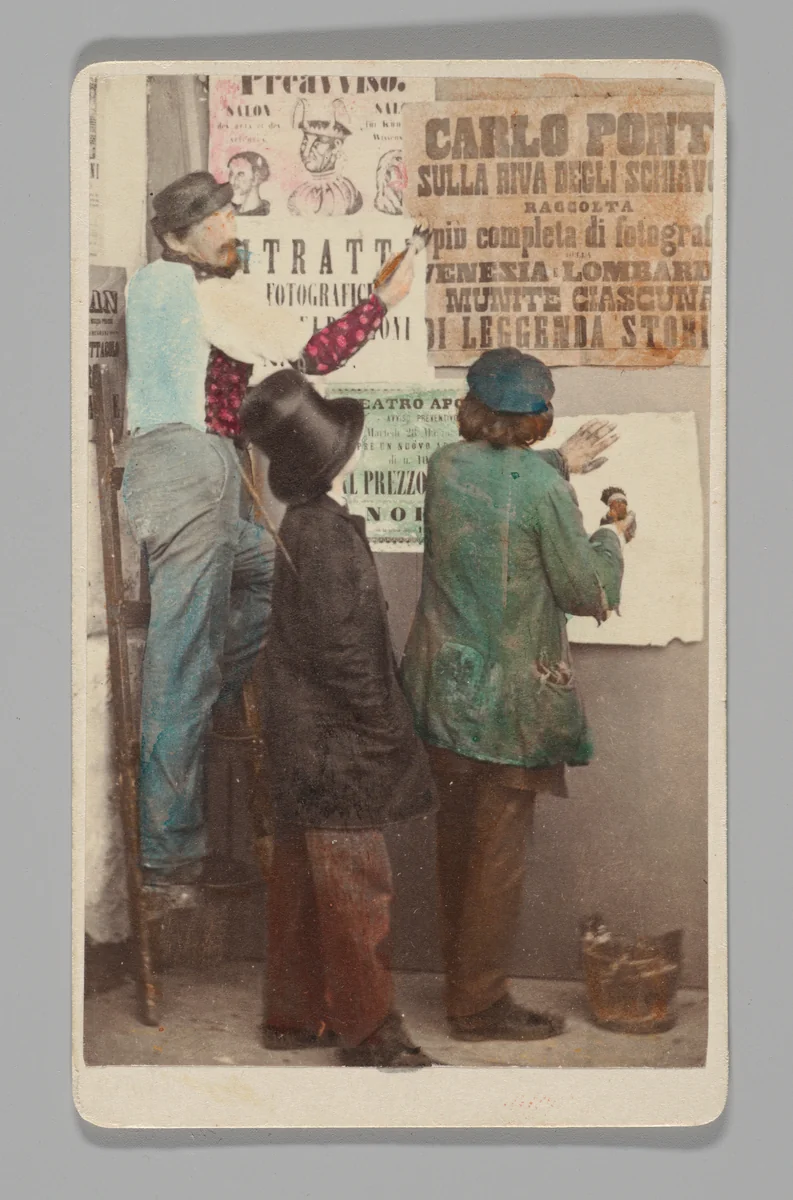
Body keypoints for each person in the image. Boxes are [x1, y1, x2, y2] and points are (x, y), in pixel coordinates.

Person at [122, 170, 416, 888]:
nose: (230, 229)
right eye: (214, 223)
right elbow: (311, 357)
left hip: (184, 466)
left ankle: (215, 701)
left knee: (273, 574)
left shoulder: (162, 284)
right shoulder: (197, 290)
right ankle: (168, 853)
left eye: (230, 216)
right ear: (176, 237)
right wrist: (380, 303)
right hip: (192, 463)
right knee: (179, 666)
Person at [400, 347, 635, 1042]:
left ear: (472, 408)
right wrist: (610, 536)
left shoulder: (444, 465)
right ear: (540, 416)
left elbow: (494, 484)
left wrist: (558, 463)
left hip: (444, 691)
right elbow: (585, 592)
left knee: (454, 844)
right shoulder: (541, 488)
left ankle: (462, 986)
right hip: (509, 708)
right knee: (496, 858)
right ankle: (477, 1007)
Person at [239, 371, 437, 1068]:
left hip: (303, 739)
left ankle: (292, 1018)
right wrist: (384, 731)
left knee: (300, 878)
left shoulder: (305, 524)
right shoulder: (324, 533)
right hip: (337, 744)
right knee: (357, 883)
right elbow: (344, 651)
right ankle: (369, 1030)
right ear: (333, 461)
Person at [227, 151, 271, 216]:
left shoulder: (261, 214)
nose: (232, 181)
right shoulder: (232, 209)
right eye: (231, 174)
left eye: (240, 174)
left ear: (255, 178)